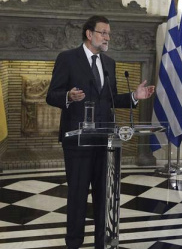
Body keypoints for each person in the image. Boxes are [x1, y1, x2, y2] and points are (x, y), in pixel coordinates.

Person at [46, 15, 155, 249]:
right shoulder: (67, 59)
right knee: (77, 196)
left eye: (108, 33)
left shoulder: (109, 63)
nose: (107, 37)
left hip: (104, 141)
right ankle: (73, 243)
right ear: (89, 34)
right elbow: (51, 94)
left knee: (103, 196)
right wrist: (68, 96)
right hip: (77, 141)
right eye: (103, 32)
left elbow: (111, 99)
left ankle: (101, 243)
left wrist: (135, 96)